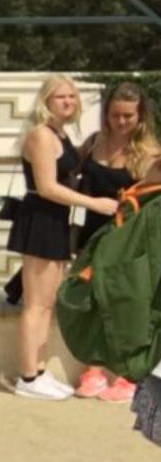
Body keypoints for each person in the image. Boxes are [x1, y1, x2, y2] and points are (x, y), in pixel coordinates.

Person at [6, 74, 119, 400]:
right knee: (36, 305)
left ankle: (38, 371)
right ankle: (27, 376)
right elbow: (47, 187)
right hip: (40, 220)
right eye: (60, 97)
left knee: (47, 303)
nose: (68, 102)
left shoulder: (60, 134)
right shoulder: (41, 135)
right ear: (46, 100)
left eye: (72, 96)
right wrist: (94, 203)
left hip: (54, 221)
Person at [71, 81, 159, 404]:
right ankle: (93, 370)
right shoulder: (93, 144)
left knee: (128, 305)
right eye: (115, 115)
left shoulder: (149, 154)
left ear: (140, 116)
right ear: (106, 114)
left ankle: (126, 377)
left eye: (128, 116)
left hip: (129, 242)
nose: (121, 122)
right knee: (92, 302)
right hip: (93, 236)